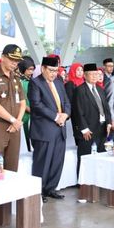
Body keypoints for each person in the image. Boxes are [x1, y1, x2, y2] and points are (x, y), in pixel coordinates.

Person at [28, 56, 71, 202]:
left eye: (56, 70)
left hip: (60, 128)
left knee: (57, 161)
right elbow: (36, 105)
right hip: (44, 130)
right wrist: (55, 117)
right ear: (43, 68)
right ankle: (38, 192)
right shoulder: (35, 83)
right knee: (42, 163)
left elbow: (66, 101)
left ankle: (51, 188)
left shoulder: (59, 82)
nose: (54, 74)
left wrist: (65, 115)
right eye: (51, 70)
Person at [0, 44, 25, 172]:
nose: (15, 63)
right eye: (12, 59)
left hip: (15, 127)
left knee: (12, 165)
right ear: (2, 57)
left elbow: (23, 103)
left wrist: (17, 121)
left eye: (17, 61)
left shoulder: (17, 78)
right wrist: (14, 120)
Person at [71, 63, 111, 173]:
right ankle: (83, 183)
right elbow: (77, 111)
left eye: (96, 74)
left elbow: (106, 108)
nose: (94, 76)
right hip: (88, 129)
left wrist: (109, 123)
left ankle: (98, 179)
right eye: (91, 74)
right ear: (85, 75)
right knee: (85, 156)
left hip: (102, 127)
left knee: (101, 155)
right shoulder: (79, 90)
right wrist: (84, 129)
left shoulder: (100, 89)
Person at [17, 57, 35, 151]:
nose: (31, 72)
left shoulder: (32, 81)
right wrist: (30, 110)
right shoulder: (18, 82)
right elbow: (19, 100)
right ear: (22, 68)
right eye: (29, 69)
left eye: (33, 69)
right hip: (22, 115)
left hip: (33, 115)